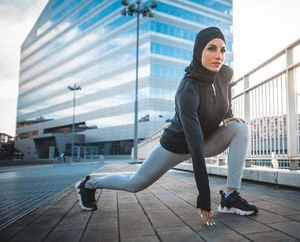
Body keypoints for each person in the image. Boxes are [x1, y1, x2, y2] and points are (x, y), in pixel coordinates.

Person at [75, 27, 258, 226]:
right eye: (211, 49)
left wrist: (229, 115)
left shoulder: (224, 74)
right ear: (198, 51)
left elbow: (223, 97)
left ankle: (230, 198)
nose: (218, 55)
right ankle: (90, 184)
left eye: (222, 50)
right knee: (134, 184)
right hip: (176, 147)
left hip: (206, 141)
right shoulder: (188, 89)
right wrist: (204, 197)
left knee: (241, 128)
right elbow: (194, 147)